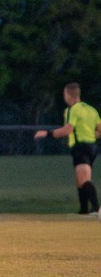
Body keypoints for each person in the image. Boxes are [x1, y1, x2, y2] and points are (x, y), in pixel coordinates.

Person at [35, 83, 99, 215]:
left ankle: (97, 208)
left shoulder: (73, 109)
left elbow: (67, 130)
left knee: (84, 180)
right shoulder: (91, 110)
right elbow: (100, 130)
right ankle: (84, 211)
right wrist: (91, 136)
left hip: (81, 147)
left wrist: (47, 133)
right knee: (80, 180)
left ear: (69, 95)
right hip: (92, 147)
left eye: (65, 94)